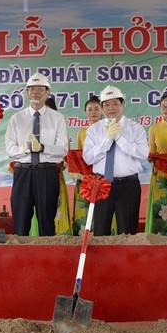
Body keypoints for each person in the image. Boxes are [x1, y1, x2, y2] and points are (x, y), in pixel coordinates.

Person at [5, 73, 68, 236]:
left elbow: (63, 149)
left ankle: (47, 259)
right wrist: (23, 150)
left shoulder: (58, 118)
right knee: (20, 221)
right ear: (27, 93)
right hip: (23, 172)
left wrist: (42, 147)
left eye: (40, 89)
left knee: (47, 221)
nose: (35, 92)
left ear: (48, 93)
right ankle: (21, 259)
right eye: (32, 89)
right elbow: (10, 149)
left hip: (47, 173)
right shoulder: (16, 118)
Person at [83, 85, 149, 235]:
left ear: (123, 105)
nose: (111, 108)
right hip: (102, 185)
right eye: (106, 104)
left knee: (127, 232)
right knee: (100, 231)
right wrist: (107, 139)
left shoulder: (135, 128)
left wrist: (120, 139)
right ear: (102, 107)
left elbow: (143, 154)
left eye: (115, 104)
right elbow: (88, 158)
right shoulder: (95, 129)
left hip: (128, 185)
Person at [146, 92, 167, 236]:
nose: (166, 109)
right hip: (159, 173)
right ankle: (158, 235)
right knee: (161, 205)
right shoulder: (154, 128)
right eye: (163, 106)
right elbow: (151, 152)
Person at [72, 95, 102, 235]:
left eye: (96, 108)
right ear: (86, 113)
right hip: (85, 178)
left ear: (102, 110)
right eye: (90, 109)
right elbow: (79, 156)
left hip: (102, 177)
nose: (93, 112)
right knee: (83, 208)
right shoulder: (82, 133)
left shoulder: (108, 130)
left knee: (102, 208)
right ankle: (82, 236)